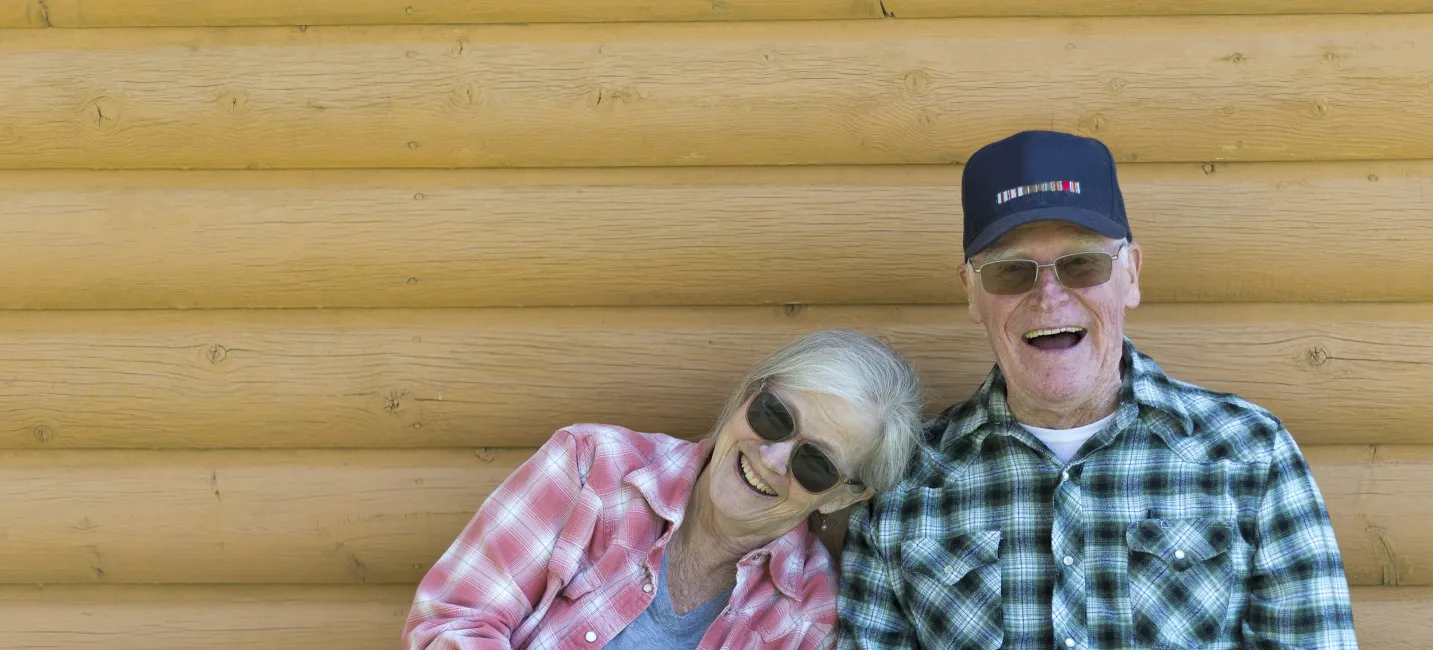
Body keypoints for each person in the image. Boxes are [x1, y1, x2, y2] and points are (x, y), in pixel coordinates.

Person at [838, 131, 1358, 649]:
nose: (1048, 296)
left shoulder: (1249, 454)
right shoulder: (905, 485)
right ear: (971, 293)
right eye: (1011, 270)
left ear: (1130, 275)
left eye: (1081, 263)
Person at [404, 329, 924, 650]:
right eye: (774, 417)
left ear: (841, 495)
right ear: (748, 395)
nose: (770, 458)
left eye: (814, 464)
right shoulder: (593, 466)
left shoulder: (806, 615)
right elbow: (454, 620)